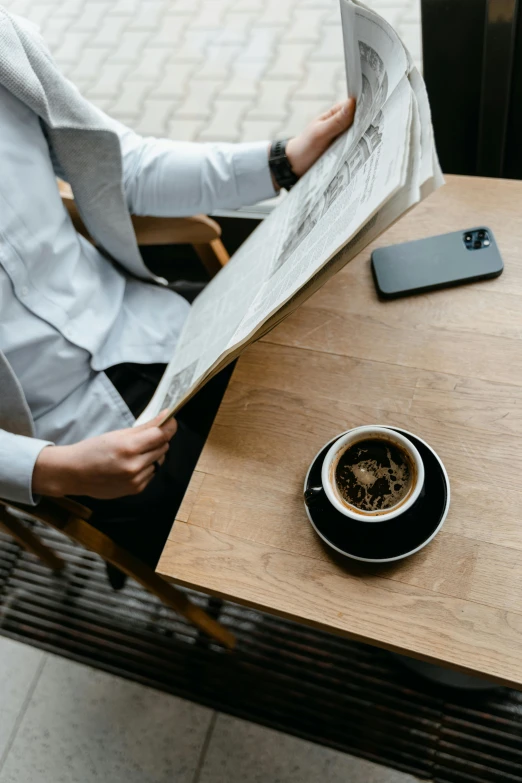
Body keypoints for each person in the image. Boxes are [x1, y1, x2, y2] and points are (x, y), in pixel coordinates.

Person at [0, 8, 356, 585]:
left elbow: (120, 163)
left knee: (318, 394)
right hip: (65, 433)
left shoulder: (3, 45)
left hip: (145, 316)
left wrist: (281, 161)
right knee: (261, 546)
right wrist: (47, 469)